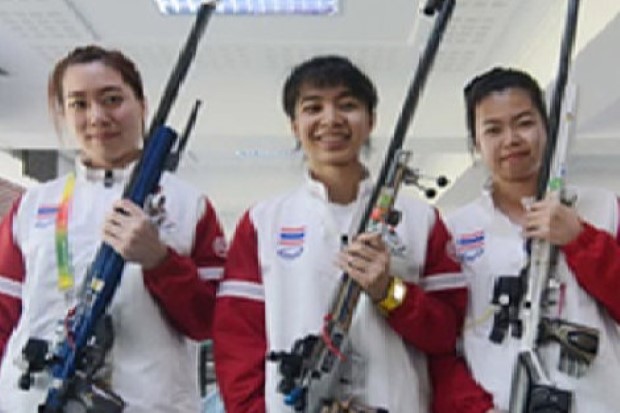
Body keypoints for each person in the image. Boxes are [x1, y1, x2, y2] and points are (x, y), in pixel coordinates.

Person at [213, 55, 469, 413]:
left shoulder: (421, 220)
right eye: (313, 108)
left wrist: (390, 293)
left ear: (371, 120)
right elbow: (237, 343)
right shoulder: (263, 222)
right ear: (294, 125)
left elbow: (448, 334)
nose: (331, 119)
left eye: (347, 105)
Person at [0, 45, 227, 412]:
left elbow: (210, 323)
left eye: (112, 99)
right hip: (33, 399)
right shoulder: (33, 206)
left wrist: (160, 261)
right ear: (63, 114)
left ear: (142, 105)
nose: (97, 117)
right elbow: (3, 314)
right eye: (79, 104)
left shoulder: (189, 206)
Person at [438, 67, 620, 412]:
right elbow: (440, 346)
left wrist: (580, 239)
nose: (511, 140)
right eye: (493, 130)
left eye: (523, 123)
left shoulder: (604, 208)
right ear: (475, 144)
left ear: (546, 129)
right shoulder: (453, 232)